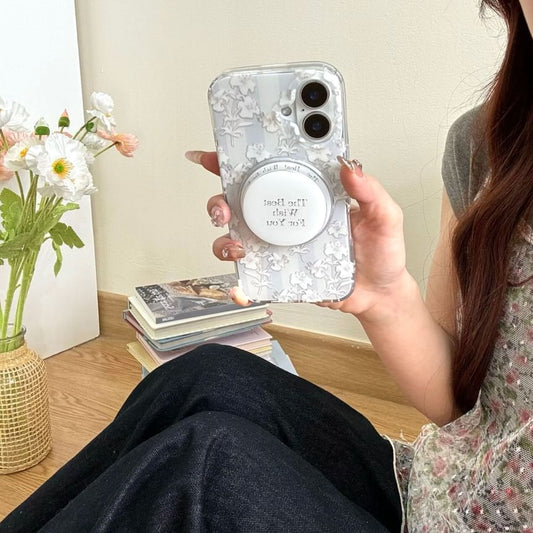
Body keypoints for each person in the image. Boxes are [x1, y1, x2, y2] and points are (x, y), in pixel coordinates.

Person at [2, 0, 532, 531]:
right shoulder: (491, 144)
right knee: (206, 374)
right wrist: (387, 298)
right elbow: (460, 405)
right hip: (446, 489)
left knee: (206, 466)